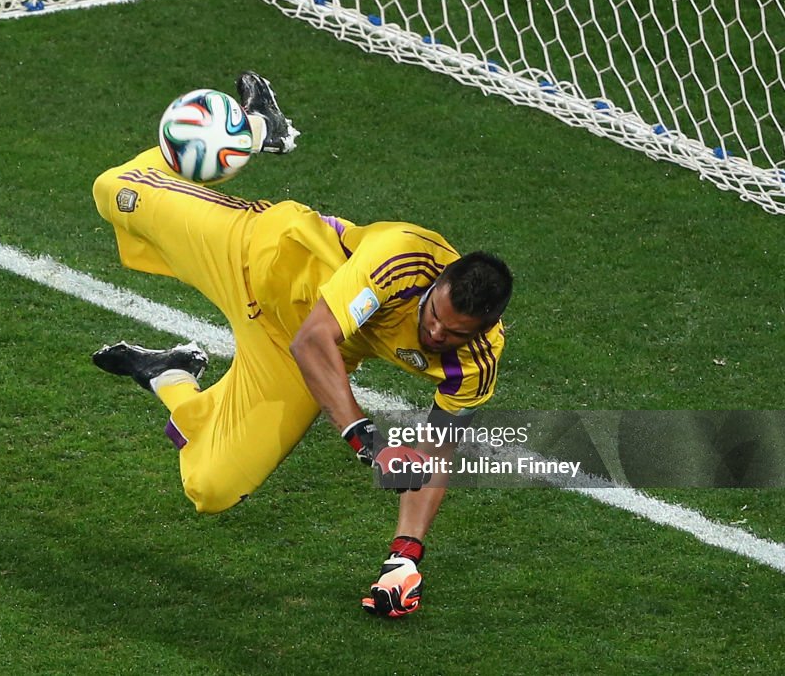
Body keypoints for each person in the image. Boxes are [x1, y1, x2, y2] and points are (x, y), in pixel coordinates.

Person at [91, 72, 513, 618]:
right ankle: (257, 127)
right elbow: (318, 337)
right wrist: (369, 443)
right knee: (114, 191)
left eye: (455, 334)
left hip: (291, 351)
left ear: (484, 329)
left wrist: (405, 556)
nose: (436, 335)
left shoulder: (474, 367)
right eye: (434, 317)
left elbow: (435, 450)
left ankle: (168, 373)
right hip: (256, 254)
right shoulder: (400, 257)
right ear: (436, 285)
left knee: (211, 487)